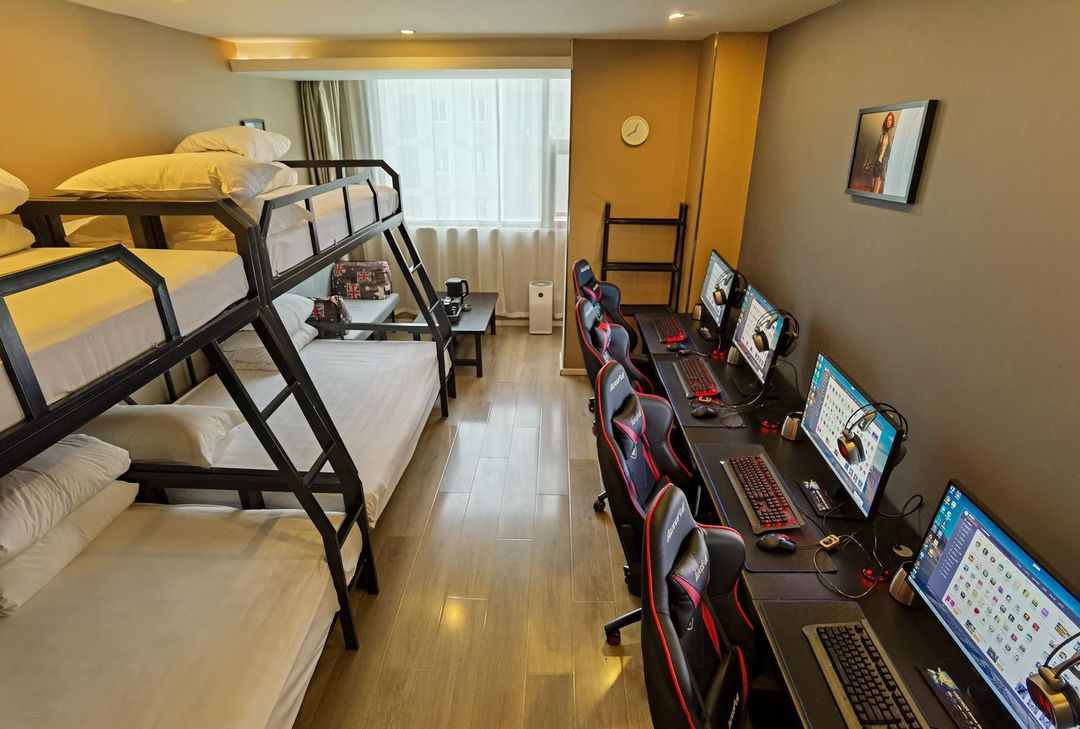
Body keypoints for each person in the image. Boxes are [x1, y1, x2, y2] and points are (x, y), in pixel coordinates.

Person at [863, 111, 896, 194]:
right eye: (887, 120)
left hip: (883, 164)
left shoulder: (892, 136)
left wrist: (890, 136)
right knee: (873, 185)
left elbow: (892, 151)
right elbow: (877, 150)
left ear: (892, 122)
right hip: (877, 163)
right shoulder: (882, 135)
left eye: (890, 120)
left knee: (876, 190)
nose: (889, 122)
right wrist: (869, 162)